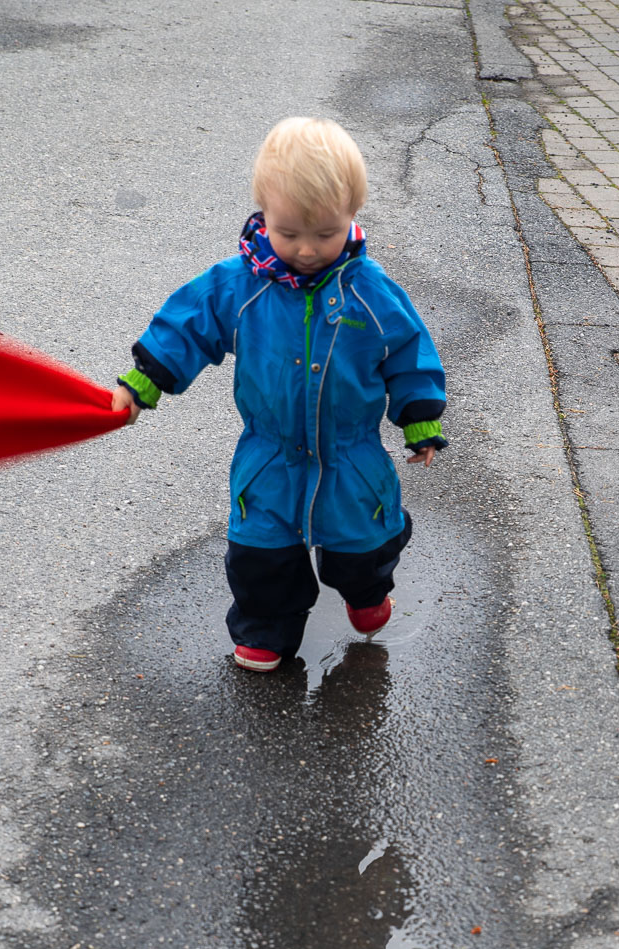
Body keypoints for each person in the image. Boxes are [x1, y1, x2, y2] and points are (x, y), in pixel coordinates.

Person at [111, 116, 447, 672]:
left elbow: (410, 353)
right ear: (262, 213)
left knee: (363, 548)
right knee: (261, 556)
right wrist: (142, 385)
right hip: (269, 455)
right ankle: (266, 629)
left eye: (325, 234)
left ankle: (366, 594)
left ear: (352, 217)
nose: (308, 250)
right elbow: (187, 327)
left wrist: (419, 418)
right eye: (288, 233)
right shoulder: (238, 285)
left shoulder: (372, 293)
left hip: (351, 456)